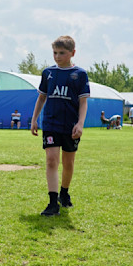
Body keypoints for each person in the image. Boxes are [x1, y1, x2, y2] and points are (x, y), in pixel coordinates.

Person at [30, 36, 89, 217]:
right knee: (51, 160)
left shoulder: (79, 74)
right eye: (55, 53)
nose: (57, 56)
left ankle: (64, 193)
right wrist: (34, 119)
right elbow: (42, 97)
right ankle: (52, 202)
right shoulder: (48, 73)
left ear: (73, 53)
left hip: (70, 126)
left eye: (62, 53)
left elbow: (83, 102)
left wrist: (80, 123)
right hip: (51, 124)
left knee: (68, 163)